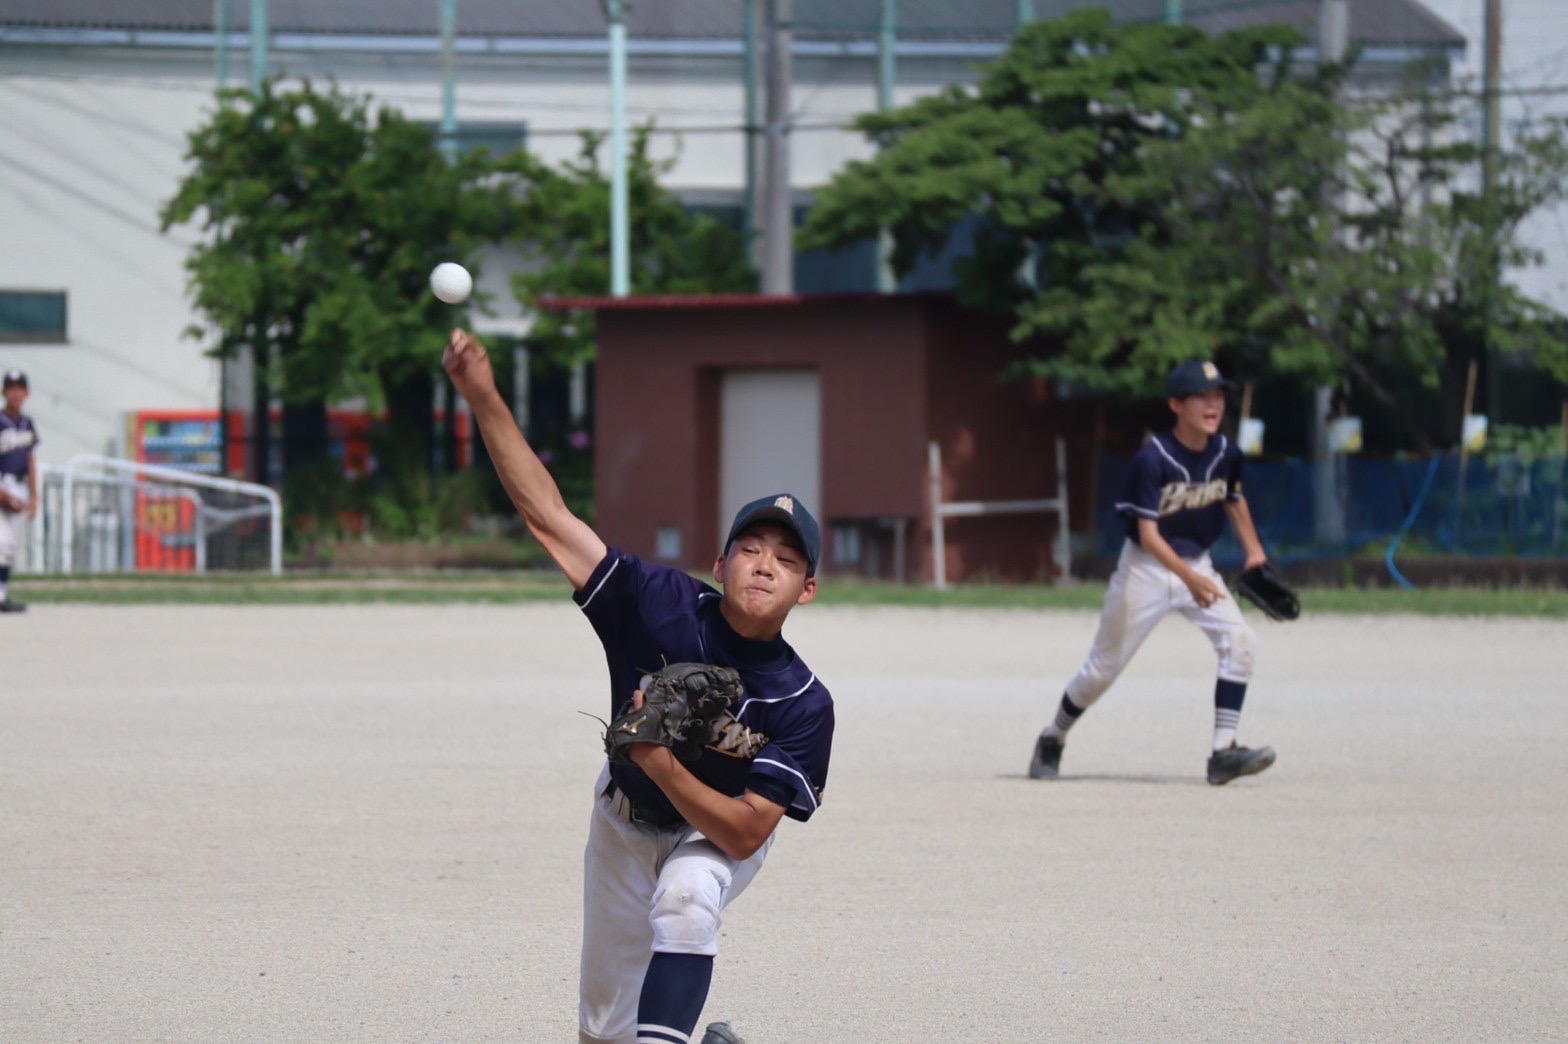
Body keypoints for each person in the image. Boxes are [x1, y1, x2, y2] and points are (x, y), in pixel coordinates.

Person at [441, 328, 833, 1044]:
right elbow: (549, 519)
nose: (764, 565)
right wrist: (485, 397)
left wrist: (660, 761)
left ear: (805, 590)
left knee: (688, 896)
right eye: (750, 548)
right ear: (721, 562)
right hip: (622, 823)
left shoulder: (802, 701)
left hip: (713, 834)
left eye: (785, 558)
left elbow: (745, 833)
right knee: (603, 1034)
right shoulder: (658, 603)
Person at [1029, 360, 1277, 786]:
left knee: (1240, 640)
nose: (1214, 403)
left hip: (1195, 564)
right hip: (1146, 571)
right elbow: (1148, 534)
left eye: (1218, 395)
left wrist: (1254, 552)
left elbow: (1233, 498)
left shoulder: (1226, 453)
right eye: (1202, 396)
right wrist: (1189, 578)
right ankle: (1053, 737)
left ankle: (1223, 753)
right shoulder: (1152, 458)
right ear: (1177, 404)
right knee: (1100, 672)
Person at [0, 369, 40, 614]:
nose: (15, 393)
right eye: (11, 388)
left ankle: (1, 596)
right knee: (1, 542)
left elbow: (31, 460)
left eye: (20, 388)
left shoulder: (28, 424)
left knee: (11, 546)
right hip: (2, 484)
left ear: (27, 393)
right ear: (4, 392)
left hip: (20, 486)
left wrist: (35, 495)